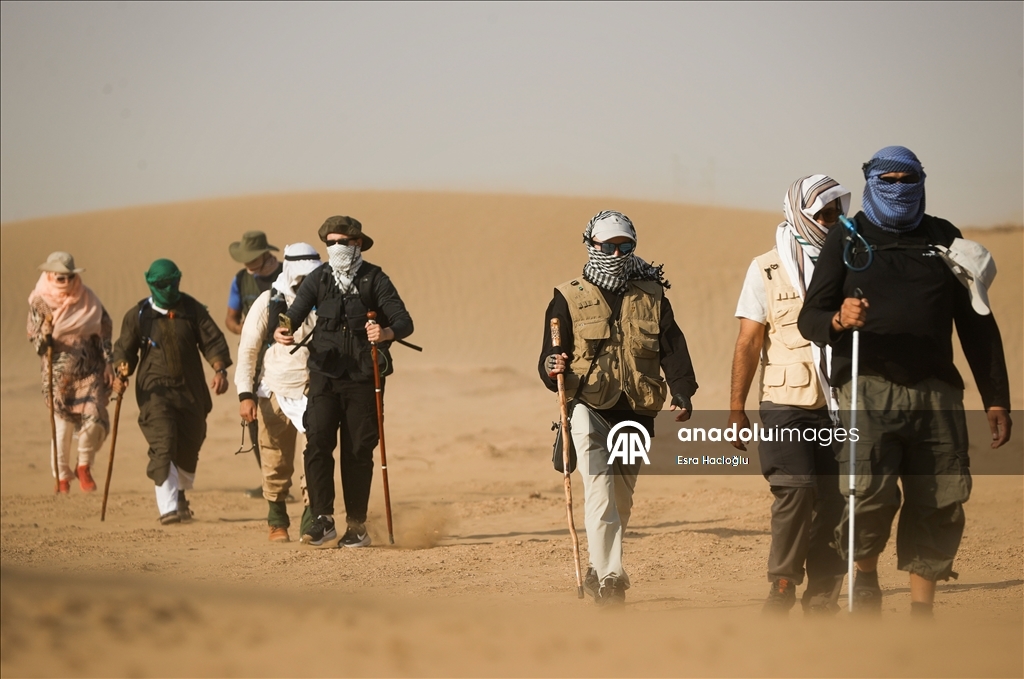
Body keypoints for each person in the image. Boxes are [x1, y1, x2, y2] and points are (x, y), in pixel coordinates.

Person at [798, 146, 1012, 617]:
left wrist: (996, 396)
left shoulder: (943, 238)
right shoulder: (847, 238)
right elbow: (809, 316)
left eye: (908, 179)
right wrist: (837, 319)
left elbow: (977, 322)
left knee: (939, 497)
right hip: (867, 385)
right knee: (868, 495)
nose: (898, 189)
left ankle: (921, 613)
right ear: (870, 181)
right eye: (887, 180)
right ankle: (867, 578)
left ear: (922, 181)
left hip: (937, 391)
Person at [540, 210, 698, 606]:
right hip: (587, 405)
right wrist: (551, 366)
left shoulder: (652, 295)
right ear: (591, 245)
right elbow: (550, 355)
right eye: (608, 245)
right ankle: (612, 577)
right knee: (599, 491)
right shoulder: (568, 296)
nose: (616, 252)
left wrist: (682, 390)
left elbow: (672, 347)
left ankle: (598, 565)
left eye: (624, 245)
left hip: (637, 410)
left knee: (622, 498)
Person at [727, 176, 850, 614]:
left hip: (842, 402)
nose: (829, 222)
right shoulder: (766, 267)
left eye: (835, 214)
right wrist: (736, 408)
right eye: (820, 214)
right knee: (795, 491)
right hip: (785, 400)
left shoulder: (855, 263)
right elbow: (748, 341)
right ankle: (782, 582)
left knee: (837, 499)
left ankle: (823, 595)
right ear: (798, 214)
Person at [275, 216, 414, 548]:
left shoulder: (374, 279)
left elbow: (404, 321)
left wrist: (386, 332)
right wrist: (285, 328)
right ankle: (322, 519)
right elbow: (294, 312)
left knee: (357, 451)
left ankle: (357, 526)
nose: (336, 248)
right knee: (318, 441)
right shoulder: (318, 278)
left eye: (343, 242)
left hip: (363, 379)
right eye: (331, 242)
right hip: (324, 374)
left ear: (357, 244)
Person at [112, 259, 232, 525]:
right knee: (164, 442)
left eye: (173, 282)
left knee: (190, 444)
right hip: (155, 393)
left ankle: (179, 494)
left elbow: (212, 341)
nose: (169, 288)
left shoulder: (191, 309)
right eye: (163, 284)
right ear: (152, 285)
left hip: (191, 392)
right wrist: (121, 372)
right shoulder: (139, 315)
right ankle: (168, 508)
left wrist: (220, 370)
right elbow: (124, 351)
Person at [235, 243, 322, 542]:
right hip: (274, 390)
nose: (304, 283)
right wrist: (245, 394)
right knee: (275, 458)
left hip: (317, 388)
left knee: (316, 454)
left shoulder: (328, 299)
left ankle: (312, 521)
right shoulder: (268, 300)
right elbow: (248, 348)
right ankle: (277, 519)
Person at [27, 252, 114, 493]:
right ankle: (62, 478)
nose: (64, 280)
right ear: (50, 275)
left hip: (90, 372)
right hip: (58, 377)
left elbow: (105, 328)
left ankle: (84, 465)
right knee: (62, 428)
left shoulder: (88, 299)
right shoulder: (40, 302)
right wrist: (45, 336)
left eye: (68, 276)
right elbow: (37, 343)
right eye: (59, 276)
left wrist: (109, 363)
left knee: (94, 420)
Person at [227, 230, 284, 498]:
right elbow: (230, 318)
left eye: (252, 258)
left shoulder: (286, 274)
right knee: (252, 413)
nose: (247, 264)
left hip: (283, 354)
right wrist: (248, 330)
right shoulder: (240, 280)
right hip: (251, 355)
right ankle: (268, 481)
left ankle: (289, 479)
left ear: (265, 254)